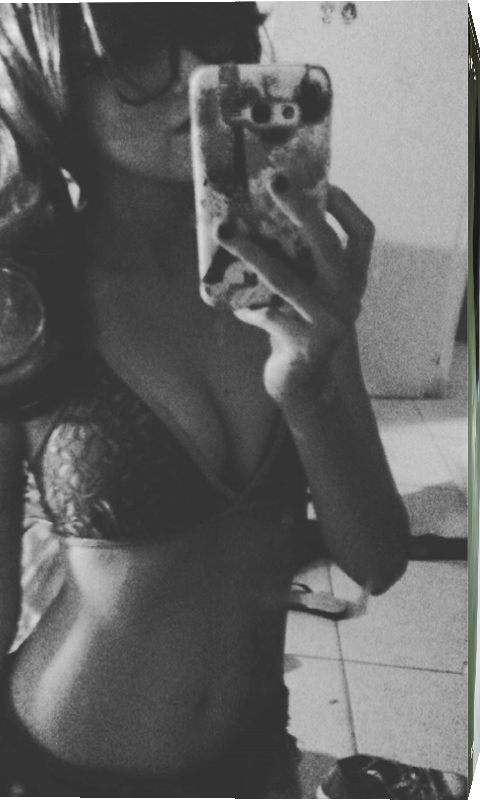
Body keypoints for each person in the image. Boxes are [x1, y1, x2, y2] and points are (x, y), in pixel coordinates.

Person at [0, 4, 410, 797]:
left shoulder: (292, 280)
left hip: (255, 752)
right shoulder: (24, 298)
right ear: (53, 82)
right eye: (137, 48)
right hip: (62, 766)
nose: (195, 74)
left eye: (218, 36)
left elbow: (378, 559)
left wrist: (309, 393)